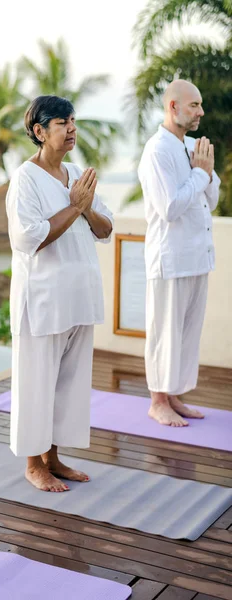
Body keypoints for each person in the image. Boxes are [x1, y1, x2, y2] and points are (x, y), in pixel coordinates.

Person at [6, 95, 113, 493]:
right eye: (61, 123)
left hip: (79, 297)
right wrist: (75, 208)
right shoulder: (25, 179)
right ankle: (34, 464)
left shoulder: (76, 174)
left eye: (73, 120)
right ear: (39, 131)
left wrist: (84, 207)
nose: (71, 128)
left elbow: (105, 229)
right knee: (37, 383)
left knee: (67, 385)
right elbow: (27, 238)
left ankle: (53, 457)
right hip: (43, 301)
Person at [138, 79, 220, 427]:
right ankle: (158, 401)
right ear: (173, 107)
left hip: (197, 254)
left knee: (186, 333)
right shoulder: (157, 150)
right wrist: (201, 177)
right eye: (193, 105)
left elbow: (210, 201)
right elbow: (169, 207)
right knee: (165, 332)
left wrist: (207, 173)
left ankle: (174, 396)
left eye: (200, 105)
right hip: (170, 257)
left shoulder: (191, 147)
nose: (200, 111)